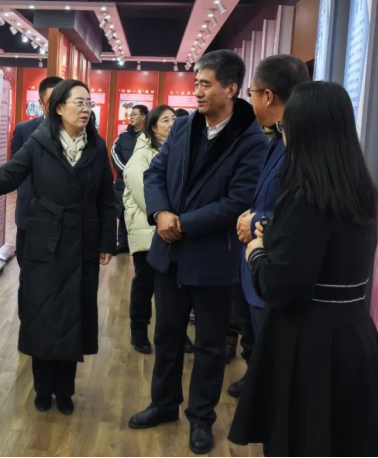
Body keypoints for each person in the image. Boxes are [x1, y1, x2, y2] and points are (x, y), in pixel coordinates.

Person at [229, 82, 378, 456]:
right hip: (355, 338)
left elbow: (280, 286)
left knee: (302, 441)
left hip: (307, 347)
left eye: (285, 125)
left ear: (303, 129)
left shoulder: (306, 193)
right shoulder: (360, 187)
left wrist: (256, 251)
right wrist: (275, 236)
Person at [129, 50, 268, 455]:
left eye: (206, 84)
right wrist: (160, 213)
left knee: (209, 344)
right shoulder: (185, 126)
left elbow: (237, 201)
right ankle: (163, 404)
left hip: (211, 258)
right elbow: (155, 173)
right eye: (196, 84)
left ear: (231, 88)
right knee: (167, 335)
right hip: (169, 253)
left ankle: (201, 419)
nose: (198, 92)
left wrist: (182, 222)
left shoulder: (251, 139)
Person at [0, 80, 116, 415]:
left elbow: (106, 198)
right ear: (59, 107)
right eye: (78, 102)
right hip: (45, 239)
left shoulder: (97, 146)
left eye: (88, 103)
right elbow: (11, 174)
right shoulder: (40, 141)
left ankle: (66, 390)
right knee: (42, 312)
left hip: (82, 242)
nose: (85, 109)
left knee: (72, 314)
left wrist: (107, 242)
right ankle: (43, 388)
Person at [227, 54, 310, 398]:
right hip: (258, 263)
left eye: (251, 93)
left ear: (268, 96)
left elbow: (302, 213)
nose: (250, 101)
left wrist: (258, 221)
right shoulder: (276, 136)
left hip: (277, 265)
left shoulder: (301, 144)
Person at [123, 105, 176, 354]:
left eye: (174, 118)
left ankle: (174, 333)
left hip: (172, 227)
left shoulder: (177, 150)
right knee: (145, 283)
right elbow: (145, 194)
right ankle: (139, 331)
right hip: (148, 228)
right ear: (153, 127)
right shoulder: (141, 156)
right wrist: (165, 215)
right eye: (165, 120)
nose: (172, 123)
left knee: (173, 287)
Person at [10, 76, 63, 265]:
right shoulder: (24, 130)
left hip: (63, 215)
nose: (57, 107)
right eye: (51, 101)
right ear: (41, 103)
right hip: (30, 210)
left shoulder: (79, 133)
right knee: (26, 264)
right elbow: (15, 170)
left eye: (62, 101)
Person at [112, 104, 149, 254]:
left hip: (142, 181)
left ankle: (141, 245)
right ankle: (122, 243)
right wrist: (126, 171)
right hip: (124, 181)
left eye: (134, 114)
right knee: (123, 211)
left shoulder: (149, 136)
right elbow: (114, 152)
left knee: (140, 212)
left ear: (143, 117)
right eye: (131, 114)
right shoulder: (123, 135)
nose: (131, 117)